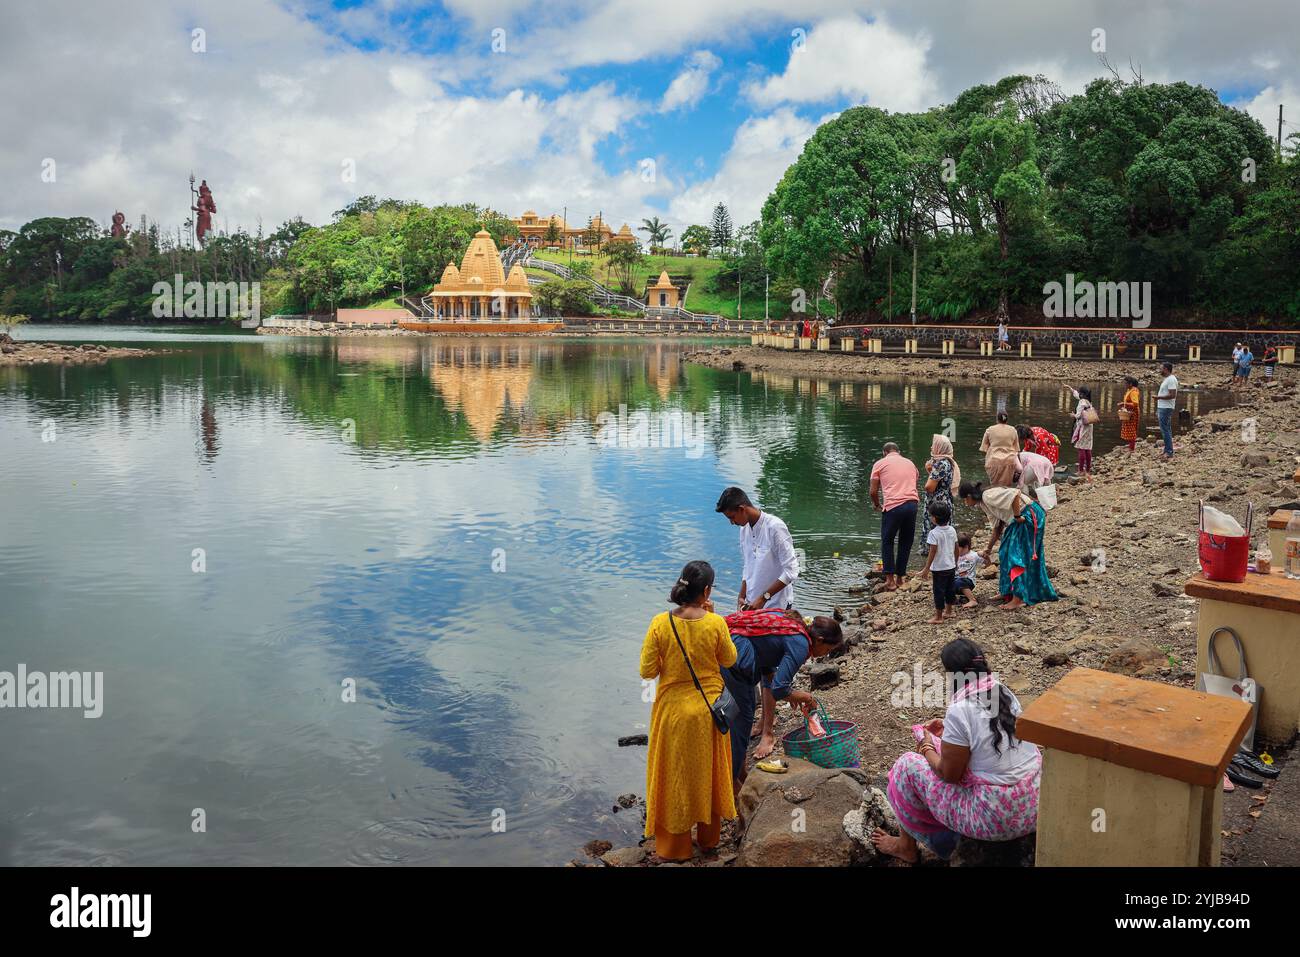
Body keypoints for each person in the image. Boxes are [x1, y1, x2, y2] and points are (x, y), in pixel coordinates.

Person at [871, 639, 1042, 863]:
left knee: (905, 765)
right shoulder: (1004, 693)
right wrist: (949, 730)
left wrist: (926, 747)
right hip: (1033, 806)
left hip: (996, 819)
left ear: (954, 674)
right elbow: (988, 736)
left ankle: (906, 847)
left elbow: (949, 775)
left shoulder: (960, 708)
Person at [639, 560, 738, 861]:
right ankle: (708, 840)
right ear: (706, 591)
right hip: (709, 711)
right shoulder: (715, 622)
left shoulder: (660, 623)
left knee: (675, 775)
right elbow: (730, 659)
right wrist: (712, 615)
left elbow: (646, 671)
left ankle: (674, 848)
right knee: (708, 772)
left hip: (673, 714)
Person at [721, 608, 844, 786]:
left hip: (731, 645)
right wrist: (807, 698)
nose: (825, 654)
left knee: (739, 719)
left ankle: (739, 773)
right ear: (820, 640)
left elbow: (768, 662)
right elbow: (779, 689)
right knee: (743, 718)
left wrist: (791, 695)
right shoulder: (801, 644)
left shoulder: (795, 625)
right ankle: (731, 783)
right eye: (828, 649)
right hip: (735, 655)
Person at [960, 481, 1057, 610]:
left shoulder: (987, 496)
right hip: (1018, 519)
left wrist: (1017, 516)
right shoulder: (984, 504)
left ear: (969, 496)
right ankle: (1008, 591)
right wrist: (988, 549)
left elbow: (1015, 493)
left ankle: (1018, 598)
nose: (965, 503)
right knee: (1004, 552)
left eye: (965, 500)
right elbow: (997, 527)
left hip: (1028, 515)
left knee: (1015, 556)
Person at [715, 487, 799, 612]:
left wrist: (764, 598)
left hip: (776, 606)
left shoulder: (775, 527)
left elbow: (792, 570)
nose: (732, 522)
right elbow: (748, 565)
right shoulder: (744, 530)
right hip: (752, 604)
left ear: (742, 509)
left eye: (732, 517)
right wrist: (741, 595)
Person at [870, 442, 920, 591]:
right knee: (905, 541)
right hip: (912, 505)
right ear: (898, 451)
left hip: (893, 506)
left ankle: (890, 580)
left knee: (887, 541)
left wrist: (877, 504)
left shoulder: (879, 464)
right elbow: (913, 481)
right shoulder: (910, 463)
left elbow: (873, 491)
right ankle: (900, 579)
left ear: (884, 452)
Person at [919, 502, 958, 625]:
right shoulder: (952, 530)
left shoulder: (933, 533)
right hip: (951, 566)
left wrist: (926, 568)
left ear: (934, 518)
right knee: (949, 589)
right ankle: (950, 611)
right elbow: (956, 548)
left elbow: (932, 551)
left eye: (931, 516)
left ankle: (939, 616)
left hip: (939, 569)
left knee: (939, 591)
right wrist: (955, 562)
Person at [921, 434, 961, 547]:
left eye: (934, 445)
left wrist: (929, 471)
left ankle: (933, 558)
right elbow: (941, 482)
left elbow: (929, 487)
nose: (931, 448)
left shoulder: (940, 464)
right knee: (944, 531)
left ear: (940, 448)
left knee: (936, 533)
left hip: (937, 503)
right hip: (946, 500)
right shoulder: (948, 462)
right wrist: (930, 470)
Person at [979, 411, 1020, 487]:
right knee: (1007, 487)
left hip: (994, 460)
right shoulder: (1013, 430)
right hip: (1009, 461)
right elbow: (1016, 449)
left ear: (997, 419)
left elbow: (983, 448)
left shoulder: (990, 429)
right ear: (1006, 420)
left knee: (994, 486)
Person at [1068, 386, 1095, 480]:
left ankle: (1080, 470)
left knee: (1081, 447)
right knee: (1087, 448)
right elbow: (1077, 396)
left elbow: (1078, 415)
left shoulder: (1081, 402)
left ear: (1082, 394)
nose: (1078, 394)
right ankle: (1087, 470)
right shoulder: (1088, 401)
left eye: (1079, 392)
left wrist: (1073, 415)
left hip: (1083, 426)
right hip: (1090, 426)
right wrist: (1071, 389)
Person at [952, 535, 985, 607]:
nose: (955, 550)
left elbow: (987, 564)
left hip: (968, 581)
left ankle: (972, 600)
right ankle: (953, 598)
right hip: (955, 579)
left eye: (957, 549)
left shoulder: (974, 555)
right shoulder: (954, 555)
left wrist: (985, 556)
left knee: (959, 582)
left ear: (966, 547)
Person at [1156, 361, 1178, 460]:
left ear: (1166, 369)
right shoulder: (1167, 379)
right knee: (1166, 429)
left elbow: (1173, 395)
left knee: (1165, 430)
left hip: (1166, 407)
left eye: (1161, 368)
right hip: (1163, 407)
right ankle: (1167, 450)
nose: (1160, 370)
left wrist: (1158, 397)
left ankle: (1169, 451)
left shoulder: (1171, 379)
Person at [1119, 375, 1140, 453]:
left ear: (1130, 384)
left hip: (1133, 412)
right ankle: (1130, 445)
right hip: (1129, 411)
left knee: (1132, 429)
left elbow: (1135, 403)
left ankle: (1132, 447)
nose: (1124, 385)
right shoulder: (1129, 390)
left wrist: (1124, 403)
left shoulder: (1133, 391)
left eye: (1125, 383)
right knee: (1128, 428)